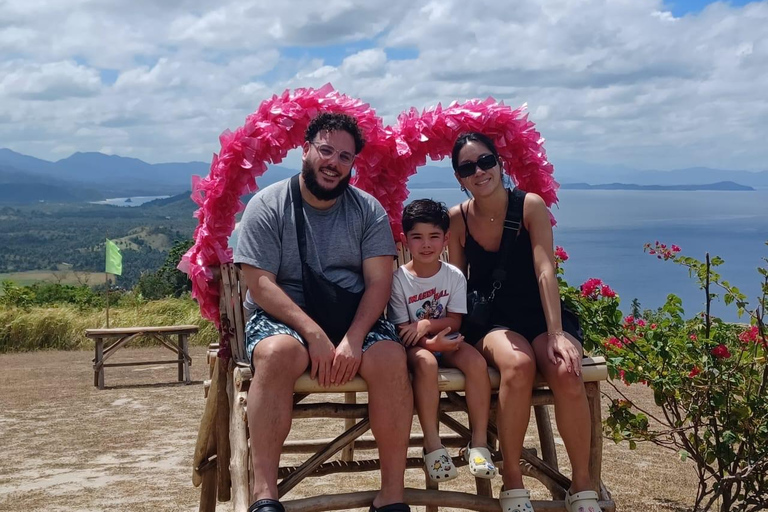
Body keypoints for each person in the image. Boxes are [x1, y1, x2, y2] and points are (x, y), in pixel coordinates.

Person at [234, 112, 413, 512]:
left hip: (353, 315)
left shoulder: (367, 210)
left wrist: (352, 338)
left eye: (345, 156)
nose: (333, 162)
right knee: (279, 354)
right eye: (326, 150)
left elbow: (379, 282)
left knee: (389, 357)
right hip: (284, 315)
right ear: (305, 150)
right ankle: (266, 493)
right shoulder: (268, 205)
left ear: (353, 164)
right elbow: (259, 282)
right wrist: (313, 333)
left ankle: (391, 496)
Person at [447, 132, 602, 512]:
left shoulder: (530, 205)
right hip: (492, 322)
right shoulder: (458, 219)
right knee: (518, 364)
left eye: (485, 161)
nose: (479, 171)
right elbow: (455, 280)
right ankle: (513, 478)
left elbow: (545, 269)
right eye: (468, 167)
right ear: (459, 177)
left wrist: (556, 333)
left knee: (566, 369)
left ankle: (582, 484)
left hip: (541, 313)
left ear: (499, 162)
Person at [387, 199, 496, 484]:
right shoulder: (398, 280)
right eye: (417, 237)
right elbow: (401, 331)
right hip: (415, 349)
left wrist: (426, 325)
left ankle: (480, 442)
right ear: (404, 240)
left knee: (475, 362)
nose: (426, 244)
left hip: (446, 340)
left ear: (446, 239)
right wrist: (429, 344)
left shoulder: (454, 276)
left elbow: (455, 321)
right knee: (424, 363)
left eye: (434, 236)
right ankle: (433, 445)